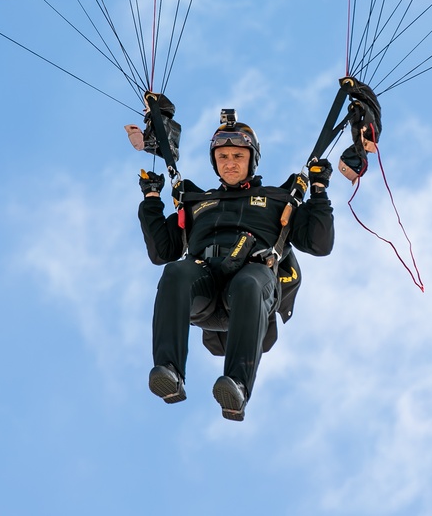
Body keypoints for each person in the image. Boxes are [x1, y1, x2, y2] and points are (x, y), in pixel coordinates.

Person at [136, 119, 335, 421]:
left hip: (250, 283)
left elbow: (320, 244)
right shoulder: (198, 203)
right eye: (223, 157)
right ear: (214, 163)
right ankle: (169, 371)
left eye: (238, 156)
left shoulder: (279, 199)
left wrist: (318, 192)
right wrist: (151, 200)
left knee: (249, 283)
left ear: (252, 159)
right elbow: (162, 252)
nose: (230, 164)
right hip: (206, 287)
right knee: (176, 271)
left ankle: (237, 386)